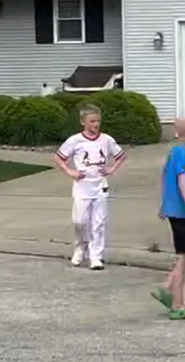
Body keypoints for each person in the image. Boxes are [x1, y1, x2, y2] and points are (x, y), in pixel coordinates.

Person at [55, 104, 126, 271]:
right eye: (92, 121)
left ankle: (96, 256)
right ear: (83, 122)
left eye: (98, 121)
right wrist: (70, 171)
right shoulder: (75, 141)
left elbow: (121, 156)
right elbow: (59, 158)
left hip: (100, 186)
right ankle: (81, 246)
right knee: (80, 221)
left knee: (98, 222)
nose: (95, 125)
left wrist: (111, 169)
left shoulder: (106, 140)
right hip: (82, 186)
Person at [152, 118, 185, 320]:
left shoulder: (176, 151)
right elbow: (182, 183)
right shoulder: (183, 152)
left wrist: (164, 203)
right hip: (181, 211)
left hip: (174, 209)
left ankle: (169, 288)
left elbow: (164, 176)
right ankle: (177, 304)